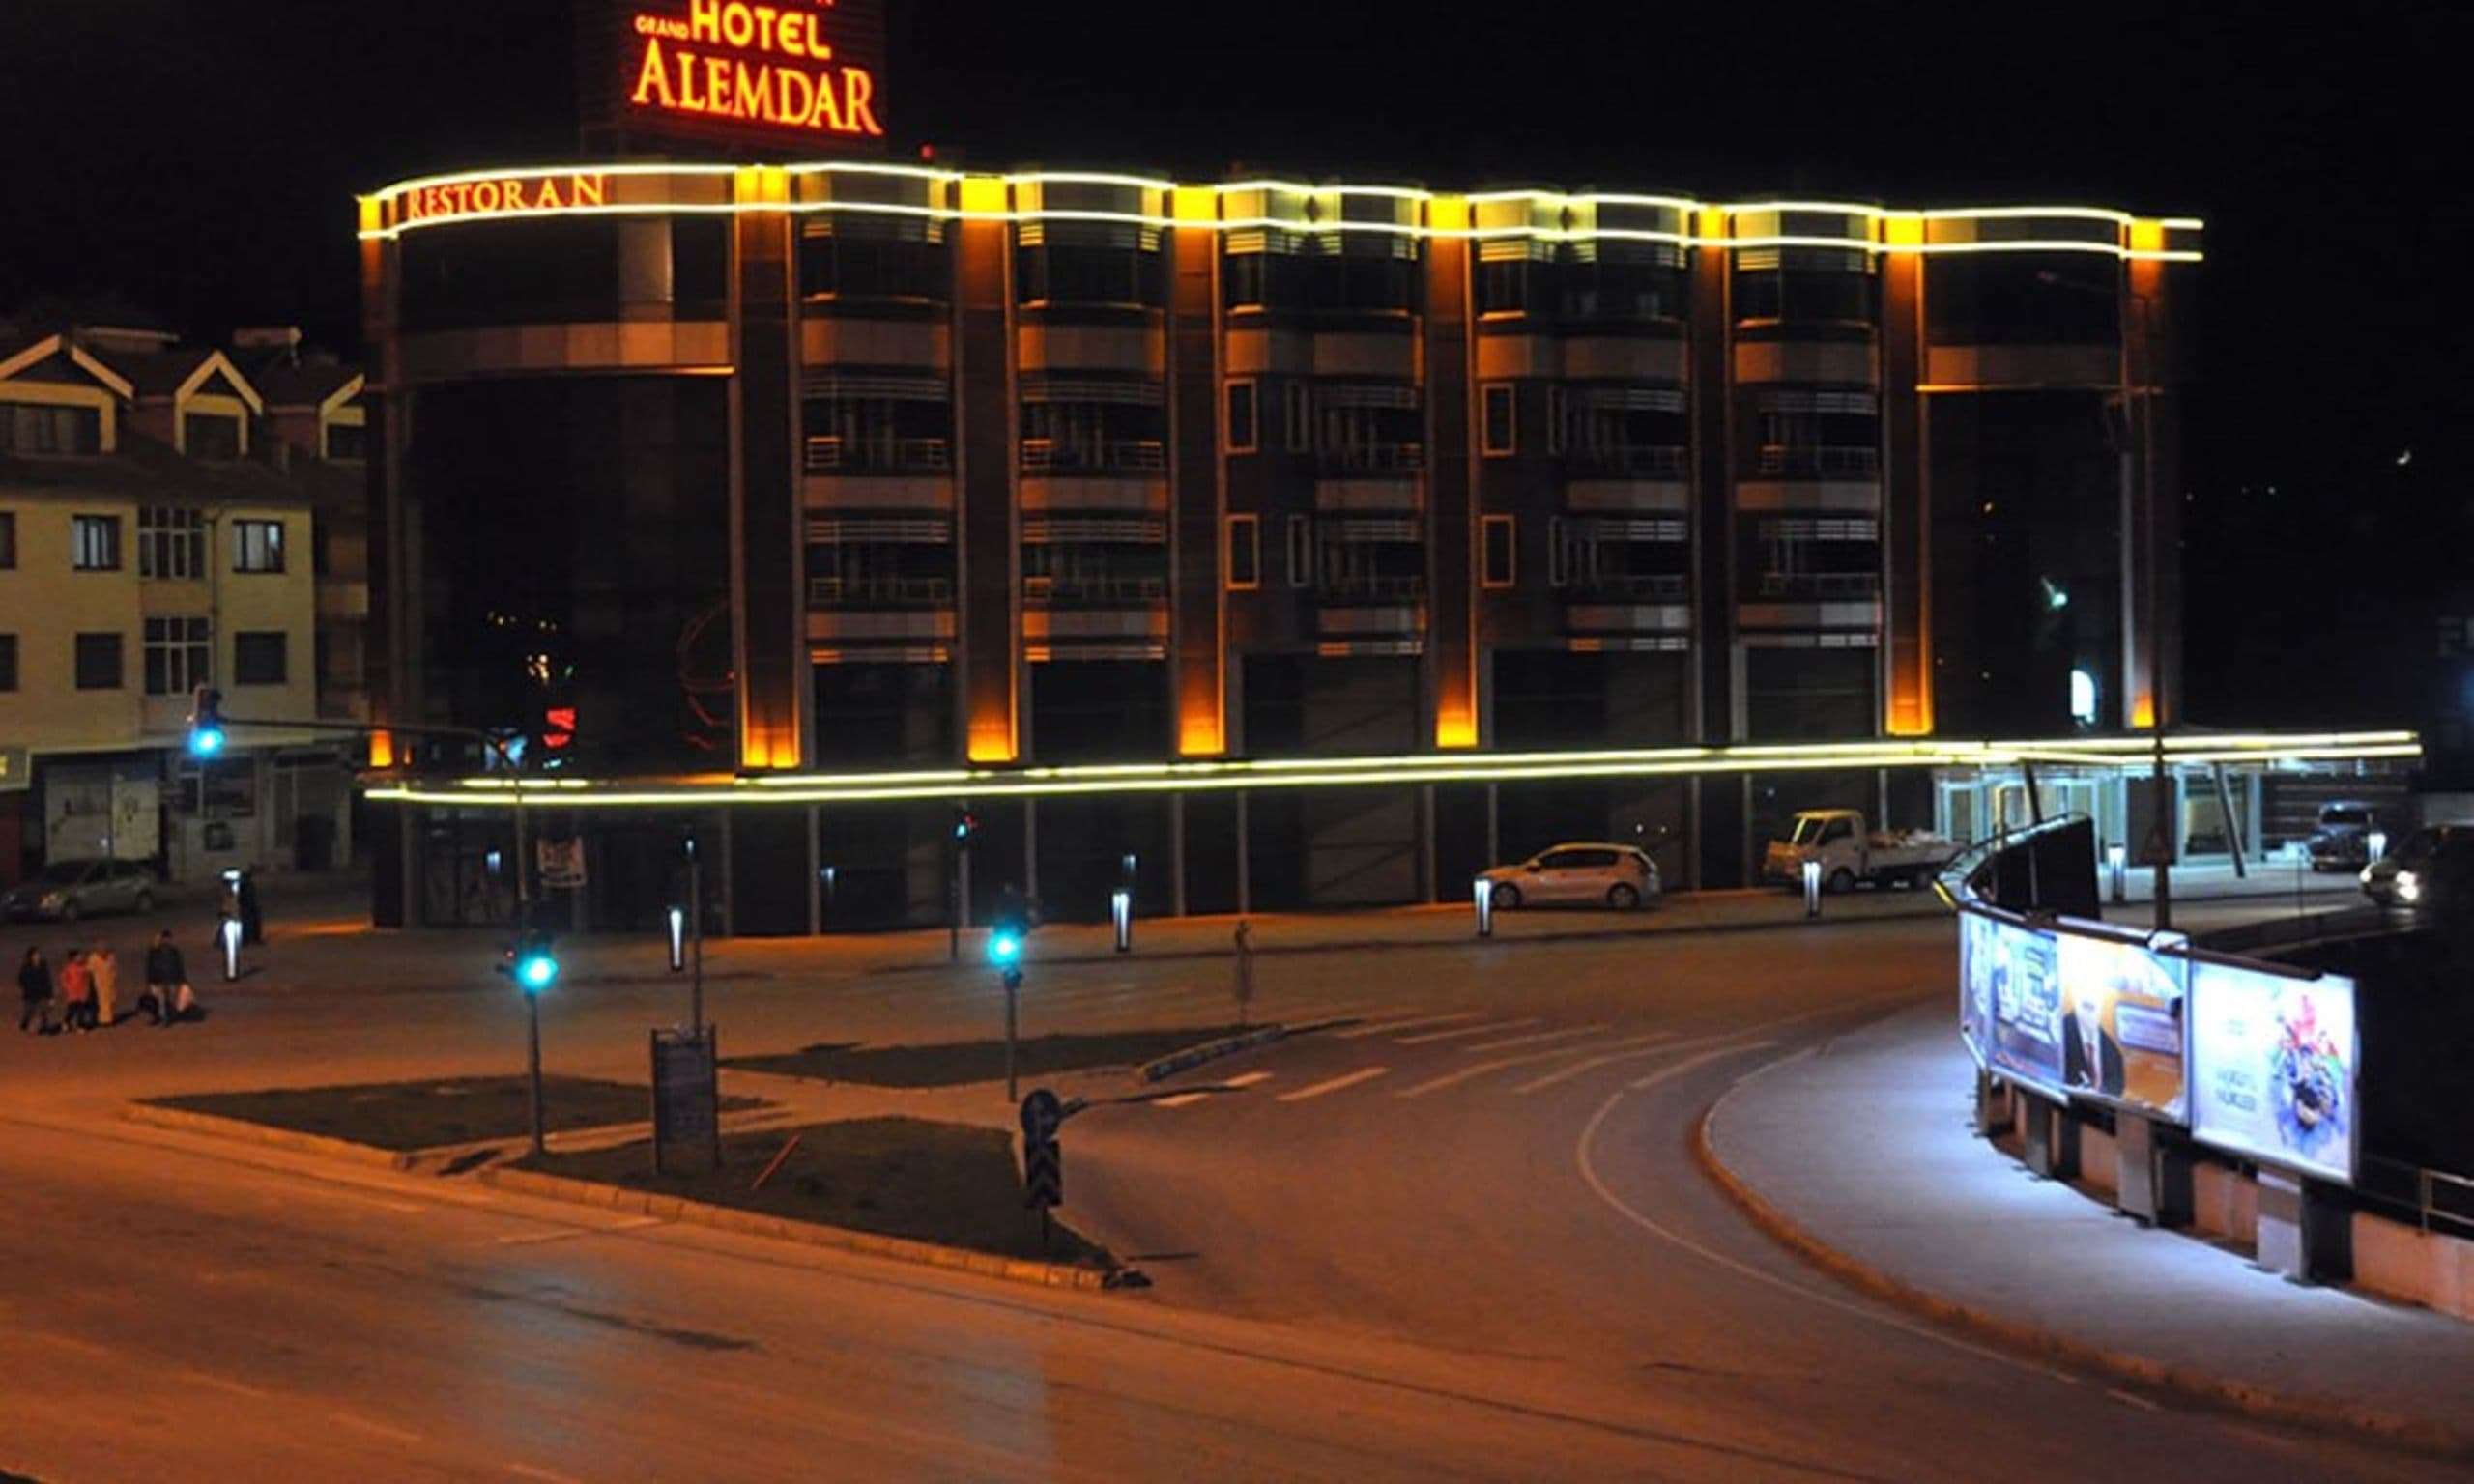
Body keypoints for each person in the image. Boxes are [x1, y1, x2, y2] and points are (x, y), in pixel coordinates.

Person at [145, 929, 186, 1027]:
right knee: (160, 1000)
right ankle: (162, 1017)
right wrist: (150, 980)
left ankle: (167, 1018)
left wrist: (182, 979)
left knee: (169, 1000)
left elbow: (179, 966)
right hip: (159, 979)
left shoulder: (174, 952)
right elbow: (150, 966)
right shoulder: (155, 951)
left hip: (171, 979)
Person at [17, 947, 53, 1035]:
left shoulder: (43, 966)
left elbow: (47, 980)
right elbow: (21, 979)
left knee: (43, 1010)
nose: (37, 956)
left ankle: (44, 1027)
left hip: (42, 993)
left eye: (38, 954)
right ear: (30, 956)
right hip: (30, 994)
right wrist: (26, 987)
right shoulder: (26, 967)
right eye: (35, 955)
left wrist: (50, 996)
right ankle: (24, 1024)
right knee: (28, 1011)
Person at [57, 949, 95, 1033]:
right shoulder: (69, 968)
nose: (80, 958)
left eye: (80, 956)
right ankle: (66, 1022)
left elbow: (87, 980)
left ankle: (80, 1026)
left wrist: (87, 991)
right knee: (71, 1010)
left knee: (81, 1011)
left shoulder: (84, 968)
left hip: (82, 994)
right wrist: (68, 988)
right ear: (73, 958)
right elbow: (63, 979)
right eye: (78, 956)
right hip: (72, 994)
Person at [1231, 918, 1256, 1027]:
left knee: (1244, 993)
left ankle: (1244, 1016)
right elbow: (1251, 948)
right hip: (1244, 968)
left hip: (1242, 966)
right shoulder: (1244, 940)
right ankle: (1245, 1017)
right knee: (1245, 992)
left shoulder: (1241, 940)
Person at [89, 942, 120, 1028]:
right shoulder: (93, 958)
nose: (103, 952)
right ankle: (103, 1021)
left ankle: (109, 1019)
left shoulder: (111, 957)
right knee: (101, 1002)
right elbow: (90, 971)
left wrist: (114, 978)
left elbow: (114, 969)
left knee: (110, 1001)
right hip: (98, 983)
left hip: (109, 983)